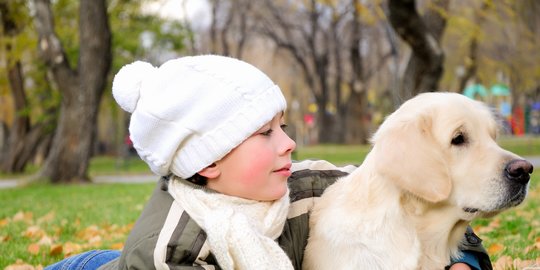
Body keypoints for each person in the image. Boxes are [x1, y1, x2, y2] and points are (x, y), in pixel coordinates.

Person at [45, 55, 491, 270]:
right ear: (210, 161)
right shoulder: (170, 245)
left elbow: (416, 206)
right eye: (265, 134)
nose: (288, 143)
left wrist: (463, 265)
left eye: (282, 127)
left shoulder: (315, 186)